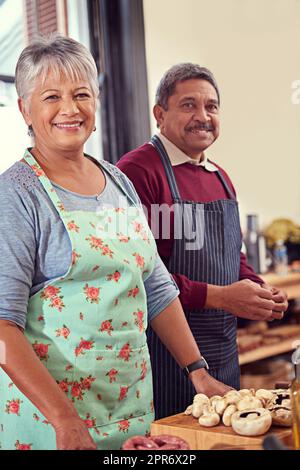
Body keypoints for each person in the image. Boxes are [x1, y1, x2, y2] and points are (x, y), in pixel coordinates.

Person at [0, 40, 232, 451]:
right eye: (51, 96)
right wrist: (65, 420)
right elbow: (2, 325)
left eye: (82, 94)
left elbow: (156, 286)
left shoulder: (118, 183)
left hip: (131, 412)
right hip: (53, 425)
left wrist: (198, 371)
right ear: (25, 110)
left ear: (96, 102)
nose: (70, 109)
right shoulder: (16, 195)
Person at [117, 63, 288, 419]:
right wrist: (224, 297)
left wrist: (259, 289)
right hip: (167, 358)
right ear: (159, 114)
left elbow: (231, 256)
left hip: (223, 355)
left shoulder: (220, 177)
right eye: (189, 105)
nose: (203, 116)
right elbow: (141, 278)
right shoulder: (137, 171)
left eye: (211, 106)